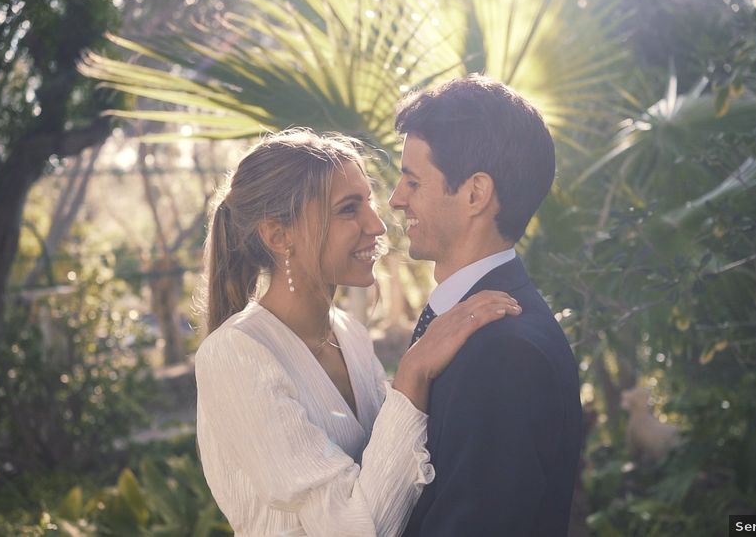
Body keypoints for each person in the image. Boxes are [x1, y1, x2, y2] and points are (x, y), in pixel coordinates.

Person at [195, 129, 521, 537]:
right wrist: (413, 372)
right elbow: (356, 528)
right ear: (279, 236)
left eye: (368, 201)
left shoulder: (350, 335)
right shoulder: (234, 355)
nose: (378, 225)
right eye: (349, 209)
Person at [391, 75, 583, 536]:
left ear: (476, 194)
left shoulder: (505, 352)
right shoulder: (472, 323)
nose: (397, 200)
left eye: (413, 182)